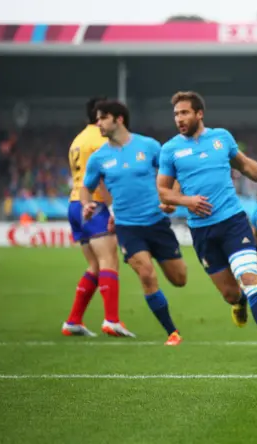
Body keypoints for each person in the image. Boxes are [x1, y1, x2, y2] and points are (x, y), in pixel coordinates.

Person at [157, 91, 257, 361]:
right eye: (176, 114)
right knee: (230, 293)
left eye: (185, 112)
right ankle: (238, 304)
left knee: (249, 278)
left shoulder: (221, 138)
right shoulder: (170, 149)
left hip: (234, 222)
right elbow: (163, 192)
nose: (179, 118)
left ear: (199, 113)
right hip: (202, 231)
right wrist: (187, 200)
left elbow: (246, 166)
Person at [82, 100, 187, 346]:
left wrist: (173, 197)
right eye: (97, 118)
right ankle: (172, 332)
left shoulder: (148, 146)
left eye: (103, 118)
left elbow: (173, 172)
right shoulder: (98, 158)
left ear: (119, 119)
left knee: (179, 279)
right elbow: (85, 189)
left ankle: (171, 328)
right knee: (147, 275)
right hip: (127, 227)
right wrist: (87, 204)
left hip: (157, 222)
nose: (98, 123)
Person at [62, 96, 134, 338]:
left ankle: (73, 321)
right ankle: (112, 320)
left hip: (75, 204)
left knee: (94, 265)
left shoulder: (78, 140)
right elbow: (101, 178)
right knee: (108, 261)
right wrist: (113, 209)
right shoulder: (100, 140)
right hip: (95, 205)